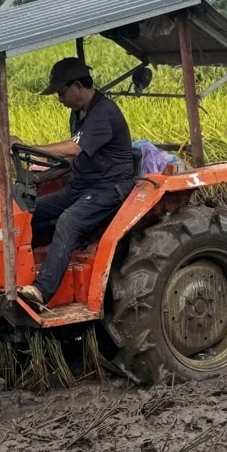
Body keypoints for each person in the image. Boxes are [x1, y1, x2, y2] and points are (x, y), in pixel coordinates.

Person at [12, 57, 135, 309]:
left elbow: (74, 148)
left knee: (69, 220)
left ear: (78, 86)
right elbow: (70, 159)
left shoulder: (104, 113)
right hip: (81, 187)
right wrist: (41, 177)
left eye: (61, 92)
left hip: (108, 189)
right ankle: (15, 273)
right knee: (26, 212)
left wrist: (27, 148)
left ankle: (41, 291)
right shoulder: (78, 114)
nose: (60, 99)